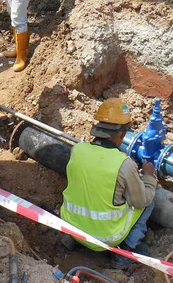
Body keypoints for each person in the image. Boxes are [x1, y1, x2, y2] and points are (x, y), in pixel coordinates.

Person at [60, 99, 157, 270]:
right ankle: (127, 250)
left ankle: (74, 240)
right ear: (122, 133)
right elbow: (140, 201)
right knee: (149, 198)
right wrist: (149, 177)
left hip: (71, 225)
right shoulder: (124, 164)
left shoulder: (78, 150)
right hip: (105, 237)